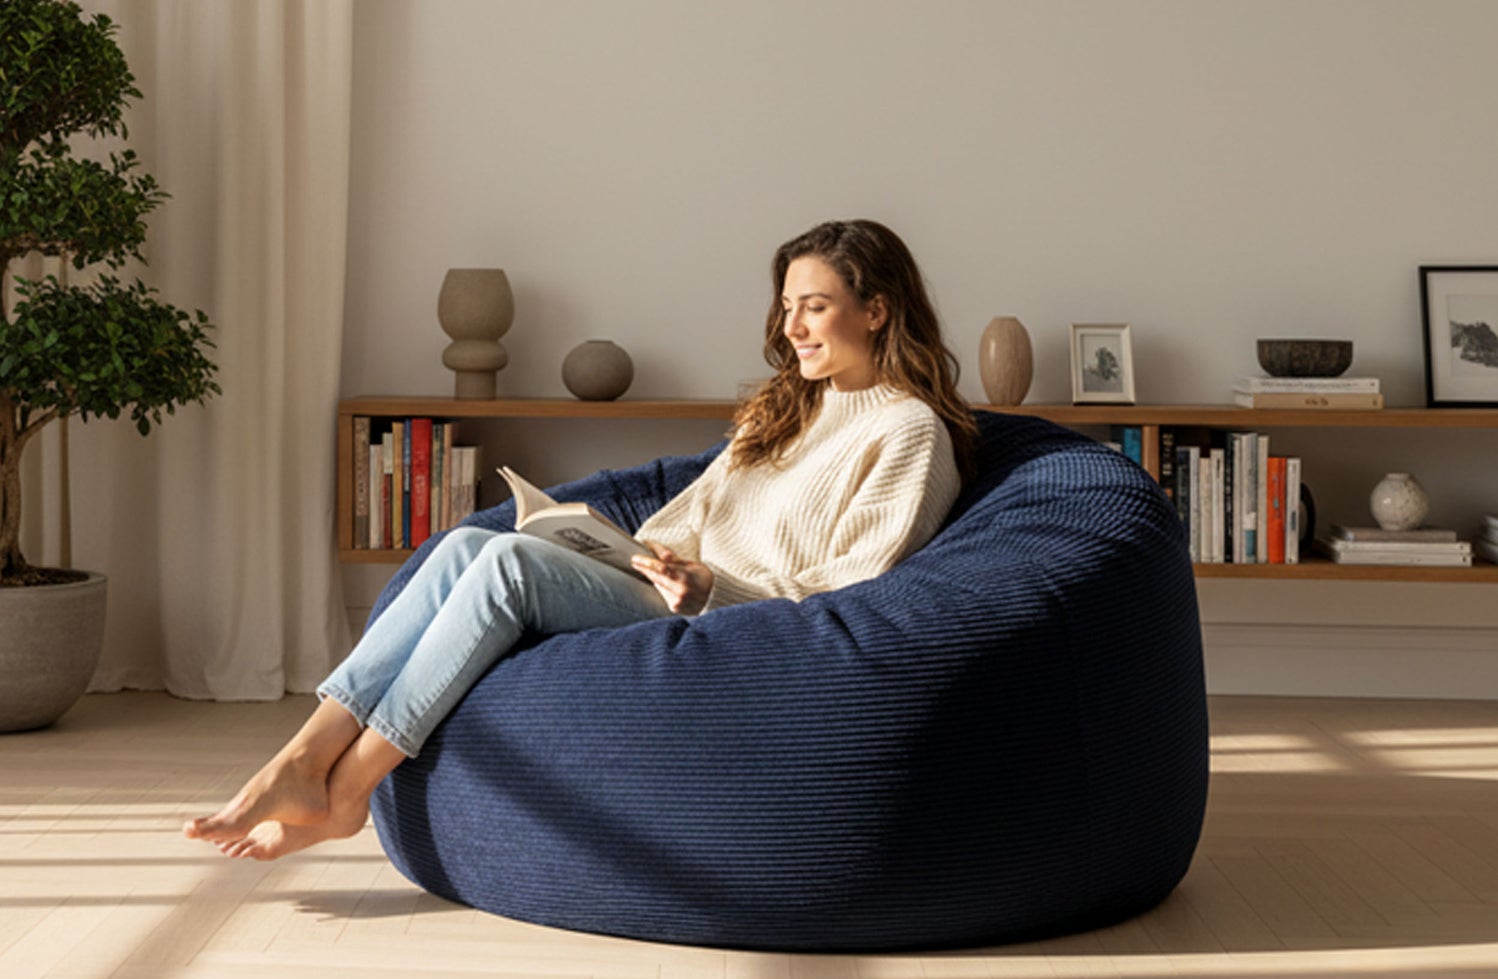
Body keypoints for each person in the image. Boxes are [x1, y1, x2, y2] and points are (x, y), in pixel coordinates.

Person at [184, 219, 978, 861]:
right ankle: (304, 755)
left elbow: (862, 593)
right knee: (465, 545)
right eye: (787, 305)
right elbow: (688, 517)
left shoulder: (908, 432)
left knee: (502, 567)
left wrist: (713, 590)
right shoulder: (787, 409)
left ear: (876, 309)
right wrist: (624, 549)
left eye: (814, 304)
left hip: (744, 628)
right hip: (677, 592)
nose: (791, 326)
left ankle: (348, 789)